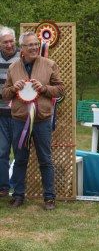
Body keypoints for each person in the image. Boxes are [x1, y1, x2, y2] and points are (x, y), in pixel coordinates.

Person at [2, 31, 65, 210]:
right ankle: (18, 195)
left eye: (36, 44)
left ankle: (49, 197)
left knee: (45, 159)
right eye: (30, 45)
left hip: (41, 120)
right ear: (21, 48)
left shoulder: (49, 64)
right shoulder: (13, 68)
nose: (34, 47)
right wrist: (14, 88)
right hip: (19, 120)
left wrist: (44, 89)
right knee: (20, 159)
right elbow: (5, 93)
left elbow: (60, 89)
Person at [0, 26, 20, 197]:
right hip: (1, 114)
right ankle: (3, 187)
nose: (8, 44)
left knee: (20, 151)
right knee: (2, 151)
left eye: (11, 41)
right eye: (5, 42)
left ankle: (18, 188)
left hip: (19, 114)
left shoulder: (23, 57)